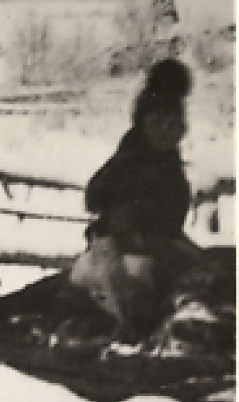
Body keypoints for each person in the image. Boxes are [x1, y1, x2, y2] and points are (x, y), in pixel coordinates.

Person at [75, 58, 215, 338]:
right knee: (138, 299)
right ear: (143, 124)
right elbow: (95, 197)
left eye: (172, 125)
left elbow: (171, 217)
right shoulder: (131, 158)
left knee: (208, 274)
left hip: (155, 244)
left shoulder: (168, 164)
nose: (165, 132)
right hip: (121, 249)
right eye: (157, 123)